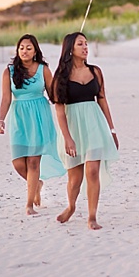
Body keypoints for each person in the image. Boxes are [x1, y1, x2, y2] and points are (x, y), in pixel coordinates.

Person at [50, 32, 119, 230]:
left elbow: (103, 100)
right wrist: (67, 138)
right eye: (81, 44)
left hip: (94, 126)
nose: (85, 47)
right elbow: (60, 110)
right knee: (75, 179)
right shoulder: (61, 77)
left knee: (92, 171)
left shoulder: (95, 71)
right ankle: (71, 206)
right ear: (70, 48)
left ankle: (92, 216)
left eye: (87, 43)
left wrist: (112, 130)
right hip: (72, 128)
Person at [0, 34, 66, 216]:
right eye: (21, 48)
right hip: (19, 117)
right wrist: (1, 119)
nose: (24, 51)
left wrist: (62, 87)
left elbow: (53, 95)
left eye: (28, 48)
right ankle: (37, 183)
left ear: (35, 50)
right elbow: (6, 98)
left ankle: (29, 205)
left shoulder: (43, 69)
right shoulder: (9, 72)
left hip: (39, 116)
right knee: (19, 163)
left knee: (34, 162)